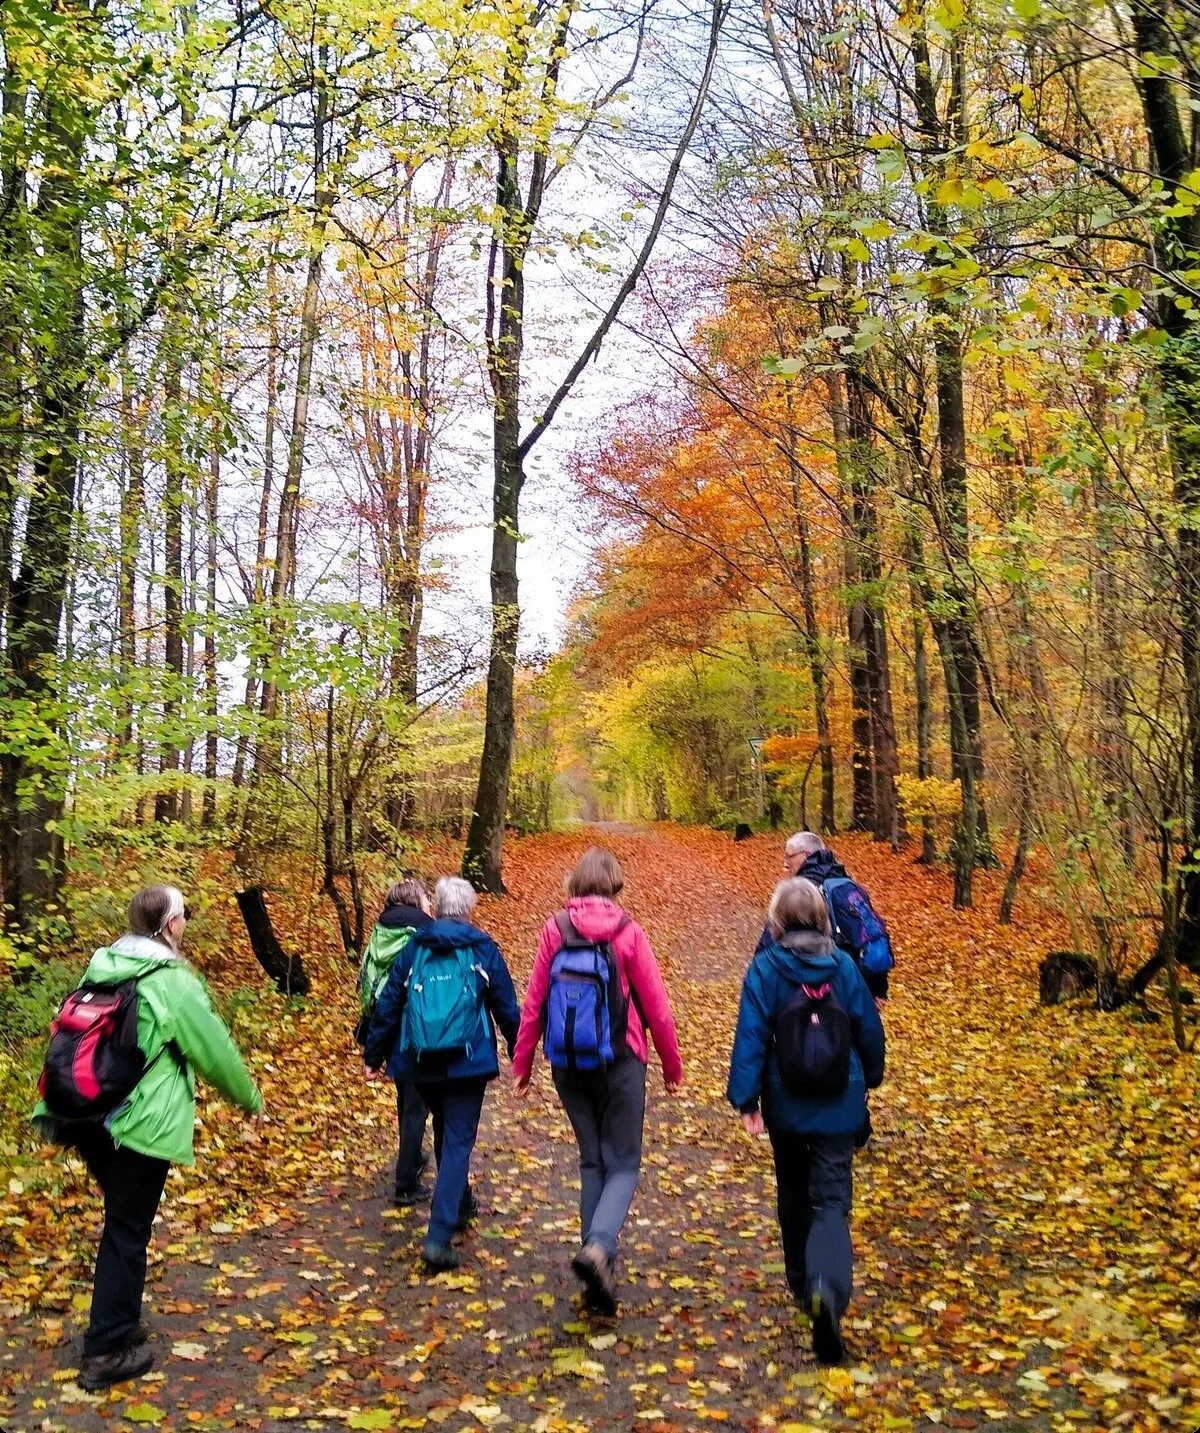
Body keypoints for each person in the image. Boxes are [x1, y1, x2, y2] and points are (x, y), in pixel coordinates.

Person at [33, 885, 262, 1392]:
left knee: (123, 1223)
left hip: (86, 1118)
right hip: (135, 1121)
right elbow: (215, 1050)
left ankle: (116, 1319)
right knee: (127, 1229)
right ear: (169, 924)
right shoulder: (170, 980)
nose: (187, 924)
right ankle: (107, 1349)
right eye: (184, 916)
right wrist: (251, 1101)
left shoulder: (104, 965)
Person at [512, 846, 684, 1315]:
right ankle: (600, 1247)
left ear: (574, 883)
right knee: (624, 1163)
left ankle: (596, 1273)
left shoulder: (555, 929)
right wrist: (671, 1065)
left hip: (569, 1062)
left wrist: (523, 1062)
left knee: (592, 1161)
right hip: (622, 1059)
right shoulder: (628, 933)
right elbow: (657, 1007)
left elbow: (535, 1001)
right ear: (614, 884)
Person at [728, 877, 884, 1366]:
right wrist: (871, 1079)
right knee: (832, 1200)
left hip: (786, 1103)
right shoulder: (843, 966)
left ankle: (802, 1284)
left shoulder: (765, 968)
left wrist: (746, 1100)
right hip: (841, 1100)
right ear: (821, 917)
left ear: (777, 920)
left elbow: (751, 1036)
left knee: (793, 1191)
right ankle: (827, 1288)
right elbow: (868, 1028)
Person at [363, 876, 520, 1272]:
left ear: (438, 905)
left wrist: (374, 1055)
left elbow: (391, 1002)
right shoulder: (482, 947)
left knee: (445, 1128)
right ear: (468, 909)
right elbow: (505, 1006)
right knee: (457, 1143)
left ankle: (461, 1201)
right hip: (467, 1062)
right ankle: (437, 1238)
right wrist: (522, 1054)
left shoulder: (416, 947)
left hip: (418, 1061)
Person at [356, 878, 434, 1204]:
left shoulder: (379, 934)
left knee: (406, 1098)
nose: (430, 902)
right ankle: (406, 1183)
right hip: (414, 1030)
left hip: (386, 1030)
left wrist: (373, 1048)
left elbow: (367, 984)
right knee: (417, 1106)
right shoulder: (422, 936)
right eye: (426, 898)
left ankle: (412, 1157)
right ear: (417, 902)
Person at [762, 832, 893, 1000]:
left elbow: (769, 943)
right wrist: (878, 990)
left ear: (807, 855)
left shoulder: (798, 893)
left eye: (789, 856)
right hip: (853, 994)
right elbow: (871, 935)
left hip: (807, 997)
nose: (785, 864)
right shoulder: (849, 886)